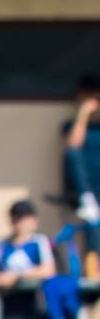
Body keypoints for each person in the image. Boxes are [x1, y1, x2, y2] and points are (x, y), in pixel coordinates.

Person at [63, 74, 100, 222]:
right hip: (87, 193)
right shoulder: (72, 125)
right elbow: (73, 145)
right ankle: (86, 196)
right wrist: (84, 112)